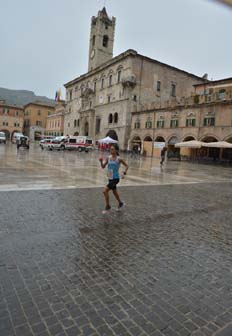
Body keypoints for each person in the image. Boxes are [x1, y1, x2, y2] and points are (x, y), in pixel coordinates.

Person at [99, 145, 129, 212]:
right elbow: (103, 166)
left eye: (112, 149)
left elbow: (127, 166)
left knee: (105, 191)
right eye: (110, 149)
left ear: (116, 150)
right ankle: (120, 203)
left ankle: (108, 206)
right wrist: (101, 161)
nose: (111, 150)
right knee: (114, 192)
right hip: (110, 177)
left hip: (115, 178)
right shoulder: (108, 158)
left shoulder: (119, 159)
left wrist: (124, 173)